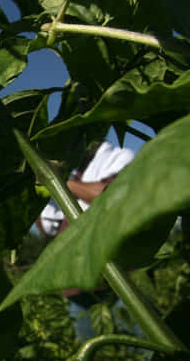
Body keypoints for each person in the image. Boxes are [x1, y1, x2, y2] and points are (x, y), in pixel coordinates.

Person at [36, 140, 136, 342]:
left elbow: (111, 194)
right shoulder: (73, 173)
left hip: (118, 280)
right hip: (75, 289)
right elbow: (47, 231)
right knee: (91, 353)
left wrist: (57, 181)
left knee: (139, 346)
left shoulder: (117, 157)